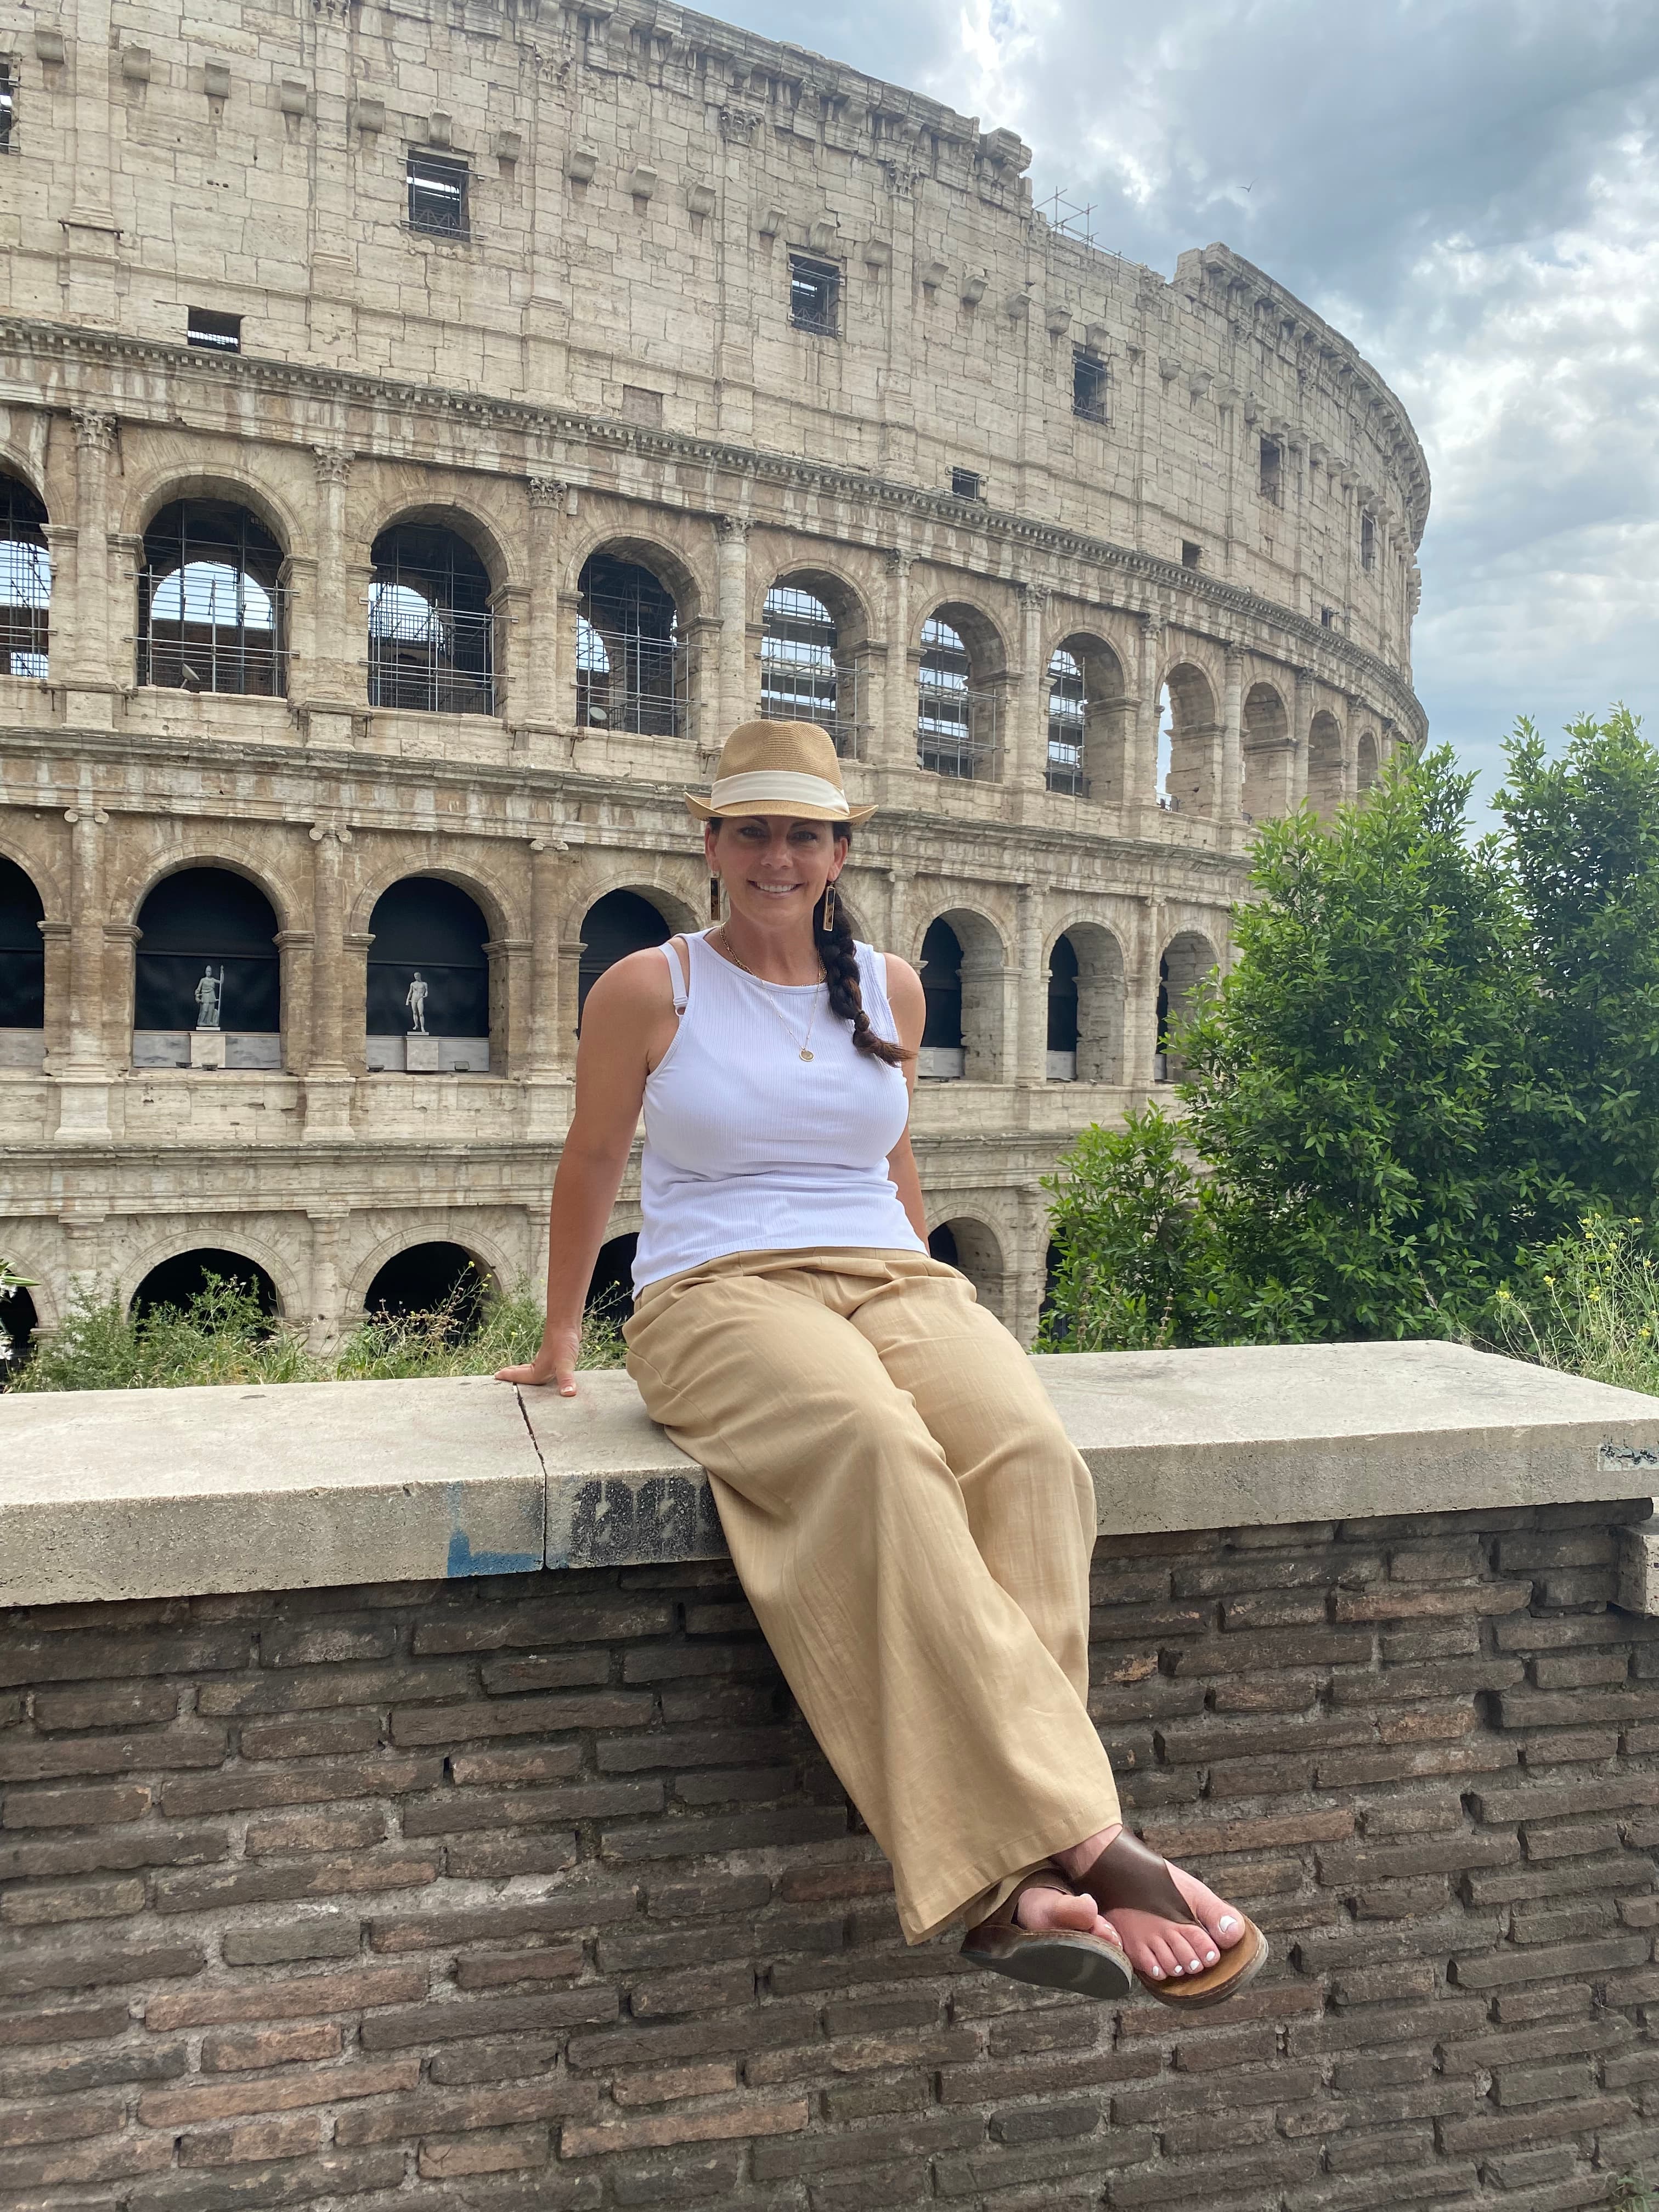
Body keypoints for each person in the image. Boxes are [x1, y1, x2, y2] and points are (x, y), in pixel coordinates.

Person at [498, 720, 1265, 2006]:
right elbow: (590, 1158)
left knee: (1028, 1456)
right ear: (711, 843)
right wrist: (561, 1336)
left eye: (804, 833)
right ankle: (1085, 1840)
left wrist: (935, 1307)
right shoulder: (651, 984)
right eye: (752, 831)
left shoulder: (892, 985)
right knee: (877, 1451)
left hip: (889, 1278)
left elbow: (893, 1160)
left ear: (842, 850)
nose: (777, 857)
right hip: (715, 1290)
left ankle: (1021, 1895)